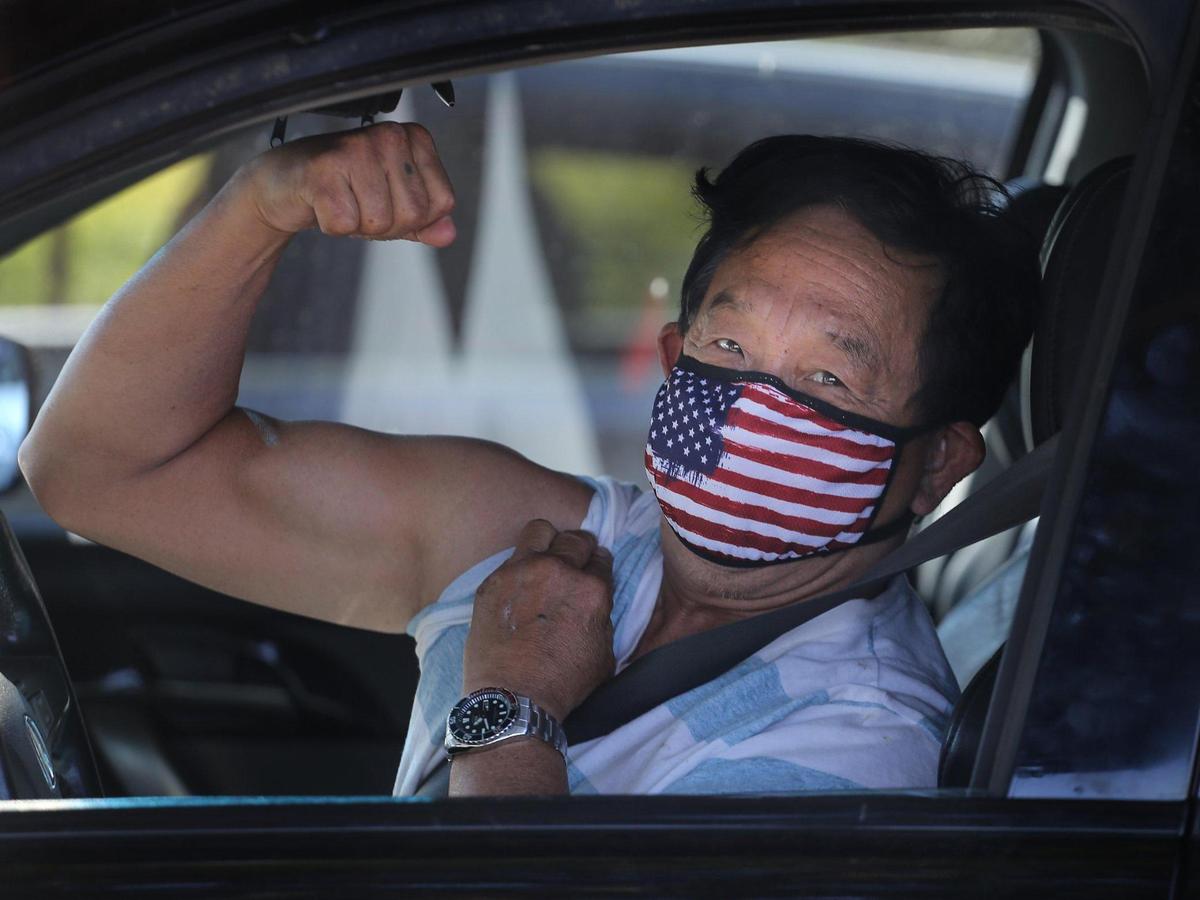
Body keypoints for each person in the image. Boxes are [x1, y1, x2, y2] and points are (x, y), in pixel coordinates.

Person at [18, 122, 1038, 796]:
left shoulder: (860, 747)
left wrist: (512, 714)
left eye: (828, 384)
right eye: (730, 350)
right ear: (674, 358)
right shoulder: (562, 541)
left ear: (942, 460)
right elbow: (101, 471)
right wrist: (262, 208)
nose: (753, 406)